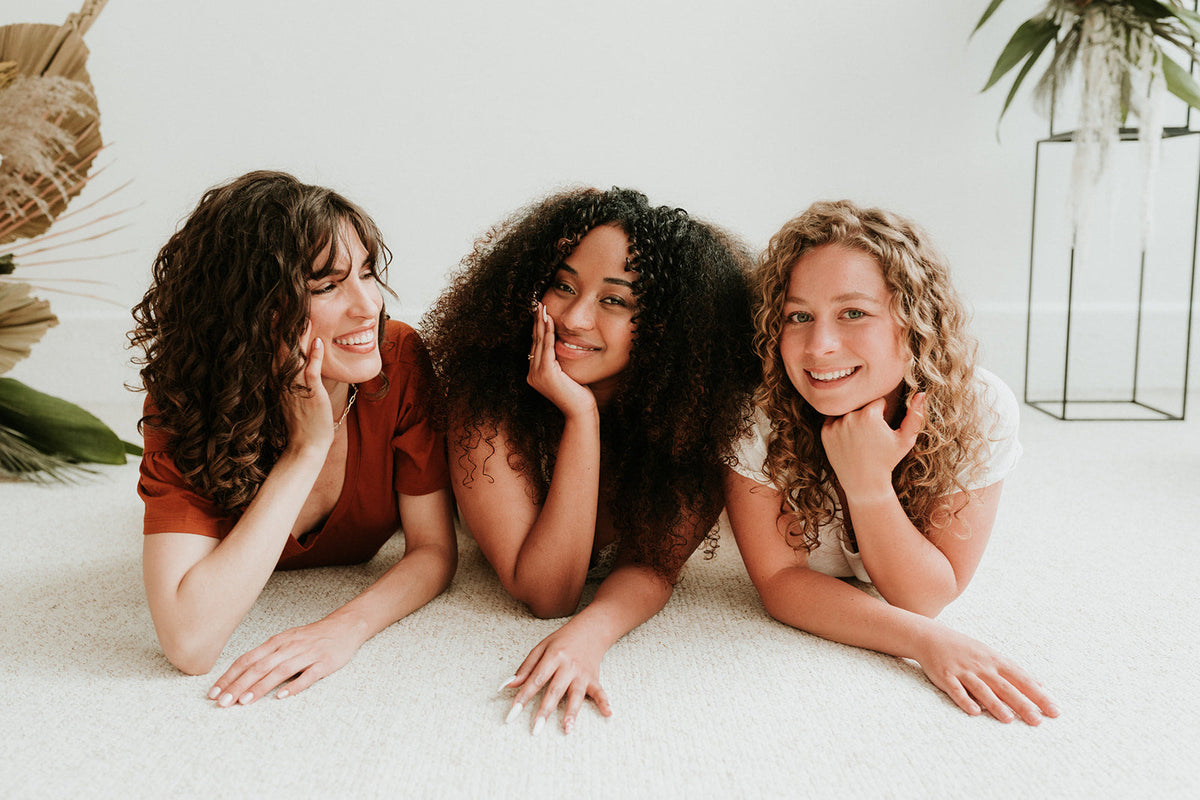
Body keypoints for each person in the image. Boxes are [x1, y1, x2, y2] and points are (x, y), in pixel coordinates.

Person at [422, 186, 759, 735]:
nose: (575, 317)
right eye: (562, 285)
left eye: (616, 300)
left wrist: (590, 634)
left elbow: (652, 565)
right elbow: (547, 593)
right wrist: (581, 418)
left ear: (668, 328)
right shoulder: (486, 400)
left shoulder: (693, 417)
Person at [724, 199, 1060, 725]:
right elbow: (781, 583)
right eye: (798, 316)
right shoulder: (758, 413)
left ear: (915, 322)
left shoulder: (980, 408)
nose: (820, 345)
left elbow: (923, 594)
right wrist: (925, 643)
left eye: (853, 312)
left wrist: (869, 486)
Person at [130, 171, 457, 706]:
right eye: (326, 286)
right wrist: (306, 450)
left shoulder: (397, 359)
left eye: (368, 274)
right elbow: (190, 643)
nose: (367, 305)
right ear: (253, 310)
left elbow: (434, 551)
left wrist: (342, 629)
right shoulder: (185, 401)